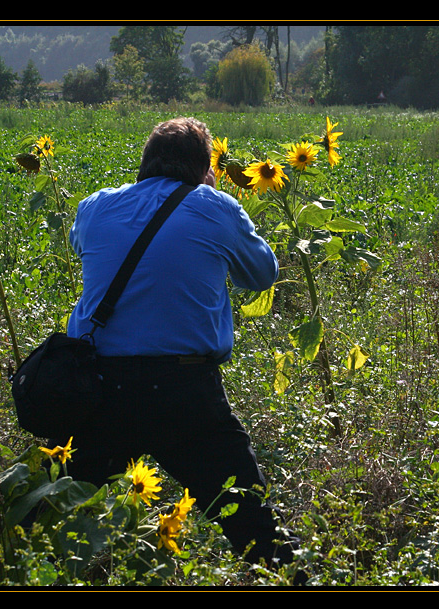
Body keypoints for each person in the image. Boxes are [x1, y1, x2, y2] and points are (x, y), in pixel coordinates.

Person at [52, 117, 302, 580]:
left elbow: (81, 244)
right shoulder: (213, 205)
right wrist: (212, 197)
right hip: (185, 393)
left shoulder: (95, 208)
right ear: (203, 167)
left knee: (57, 513)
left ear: (144, 164)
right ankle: (286, 578)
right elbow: (261, 276)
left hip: (100, 391)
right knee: (252, 522)